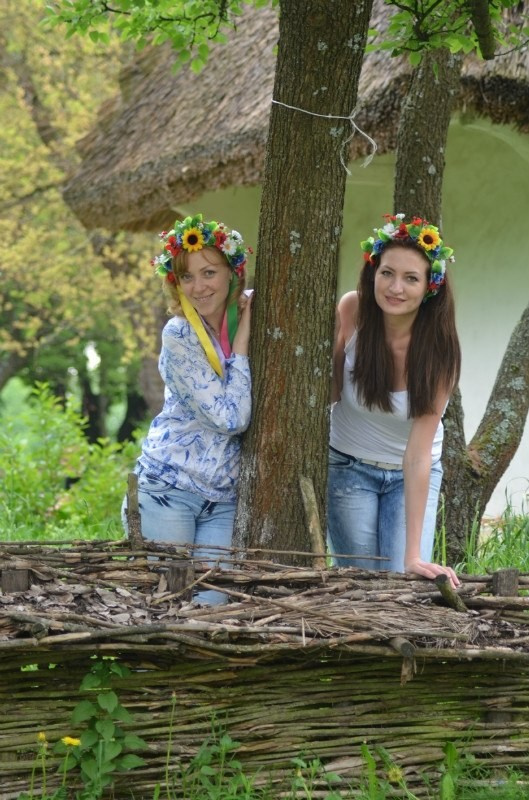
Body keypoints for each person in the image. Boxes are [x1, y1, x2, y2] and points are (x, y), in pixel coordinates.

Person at [123, 214, 253, 604]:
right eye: (187, 277)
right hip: (169, 488)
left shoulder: (252, 311)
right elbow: (231, 419)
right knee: (167, 608)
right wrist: (242, 346)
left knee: (211, 610)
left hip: (224, 499)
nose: (198, 287)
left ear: (232, 272)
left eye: (209, 272)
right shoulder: (179, 333)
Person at [328, 213, 461, 588]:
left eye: (411, 278)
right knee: (361, 584)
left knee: (403, 580)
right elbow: (329, 392)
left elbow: (417, 456)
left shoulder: (440, 352)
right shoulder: (352, 310)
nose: (395, 288)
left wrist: (414, 555)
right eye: (387, 273)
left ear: (431, 286)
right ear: (373, 271)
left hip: (411, 475)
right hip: (348, 466)